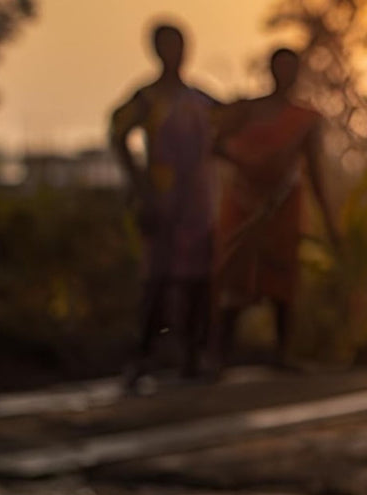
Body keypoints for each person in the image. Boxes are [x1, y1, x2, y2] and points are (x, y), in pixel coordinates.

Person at [211, 48, 340, 369]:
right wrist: (247, 162)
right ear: (270, 70)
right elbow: (214, 143)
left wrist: (330, 222)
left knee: (281, 278)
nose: (287, 74)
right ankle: (219, 355)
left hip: (281, 206)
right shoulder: (246, 110)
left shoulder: (304, 120)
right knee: (236, 274)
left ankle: (281, 354)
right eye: (281, 67)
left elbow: (315, 171)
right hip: (243, 202)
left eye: (292, 68)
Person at [109, 22, 218, 389]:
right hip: (162, 198)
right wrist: (141, 187)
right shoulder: (147, 98)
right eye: (168, 45)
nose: (176, 52)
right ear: (155, 50)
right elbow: (117, 134)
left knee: (199, 283)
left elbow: (230, 128)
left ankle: (193, 355)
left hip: (199, 203)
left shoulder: (200, 99)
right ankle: (142, 359)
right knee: (157, 281)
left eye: (181, 44)